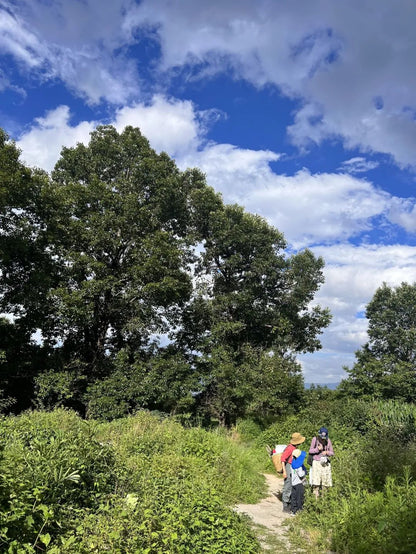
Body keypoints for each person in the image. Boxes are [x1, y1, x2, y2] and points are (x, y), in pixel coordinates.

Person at [280, 432, 305, 512]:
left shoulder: (294, 448)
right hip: (288, 467)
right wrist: (284, 471)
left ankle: (291, 502)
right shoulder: (290, 448)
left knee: (292, 485)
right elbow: (283, 459)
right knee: (288, 485)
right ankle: (285, 504)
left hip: (293, 467)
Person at [308, 426, 334, 498]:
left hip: (325, 463)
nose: (322, 439)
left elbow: (332, 452)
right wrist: (317, 450)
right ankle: (315, 499)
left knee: (325, 483)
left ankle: (323, 500)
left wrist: (327, 452)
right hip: (316, 462)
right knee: (316, 483)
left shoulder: (328, 440)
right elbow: (310, 450)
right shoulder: (315, 439)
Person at [291, 449, 307, 515]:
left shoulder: (293, 463)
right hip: (299, 483)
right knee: (299, 497)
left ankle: (293, 510)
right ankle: (299, 510)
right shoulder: (299, 465)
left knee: (294, 497)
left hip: (293, 483)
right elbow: (300, 474)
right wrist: (305, 472)